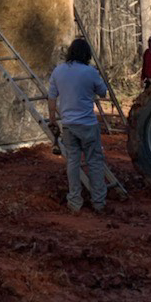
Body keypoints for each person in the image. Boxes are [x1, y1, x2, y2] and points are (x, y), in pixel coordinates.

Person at [47, 37, 108, 214]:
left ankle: (74, 202)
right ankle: (98, 202)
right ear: (87, 54)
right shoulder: (90, 72)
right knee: (95, 162)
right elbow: (103, 93)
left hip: (68, 126)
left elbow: (51, 98)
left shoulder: (58, 71)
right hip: (88, 124)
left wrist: (52, 120)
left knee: (73, 163)